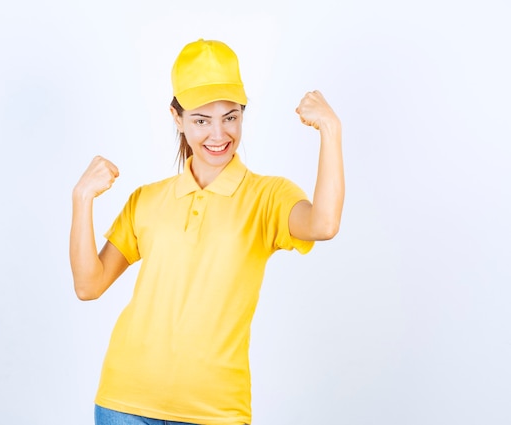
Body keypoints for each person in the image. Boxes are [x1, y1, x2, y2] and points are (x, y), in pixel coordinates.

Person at [70, 38, 344, 425]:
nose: (219, 134)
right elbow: (88, 285)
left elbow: (324, 224)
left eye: (230, 117)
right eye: (201, 119)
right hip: (124, 403)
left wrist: (330, 130)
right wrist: (82, 199)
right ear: (177, 118)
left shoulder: (267, 197)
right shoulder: (147, 200)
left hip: (215, 412)